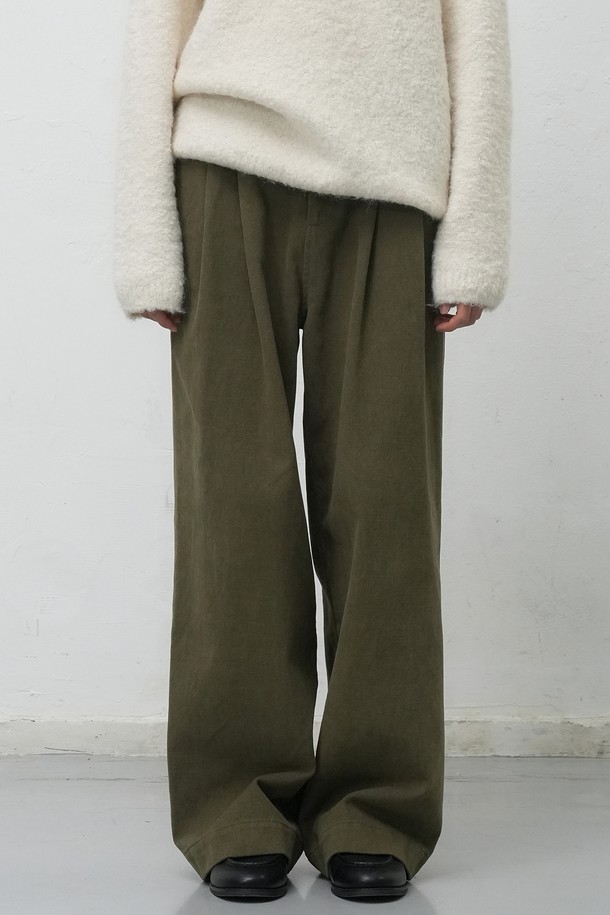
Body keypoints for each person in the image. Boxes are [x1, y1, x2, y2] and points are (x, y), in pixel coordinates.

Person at [112, 0, 512, 901]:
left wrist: (474, 236)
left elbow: (476, 33)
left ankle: (377, 808)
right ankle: (236, 805)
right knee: (234, 504)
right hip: (224, 163)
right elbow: (158, 22)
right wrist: (147, 238)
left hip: (392, 178)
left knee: (386, 503)